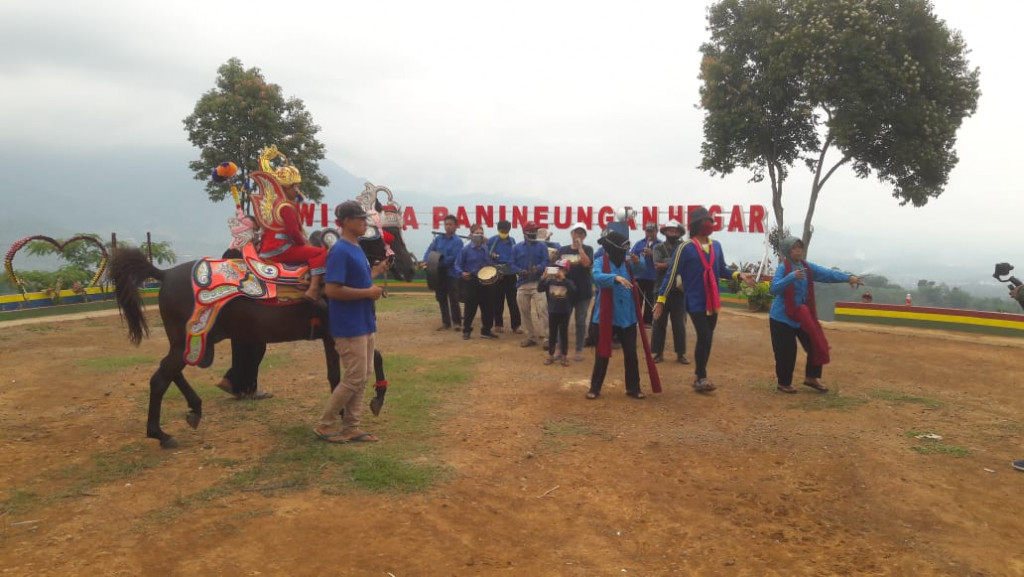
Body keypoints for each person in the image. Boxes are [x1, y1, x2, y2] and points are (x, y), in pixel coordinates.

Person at [654, 207, 755, 393]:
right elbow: (670, 275)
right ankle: (701, 376)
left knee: (707, 339)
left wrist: (740, 275)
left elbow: (722, 269)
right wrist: (661, 300)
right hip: (695, 301)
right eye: (705, 220)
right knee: (705, 335)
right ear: (696, 225)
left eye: (710, 220)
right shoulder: (684, 248)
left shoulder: (716, 246)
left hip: (714, 300)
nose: (709, 223)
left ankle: (699, 375)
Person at [313, 200, 389, 443]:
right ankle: (325, 425)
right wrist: (368, 293)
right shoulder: (340, 251)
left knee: (363, 374)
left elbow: (359, 280)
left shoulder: (355, 247)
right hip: (349, 325)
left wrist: (375, 273)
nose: (364, 222)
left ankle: (352, 427)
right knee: (355, 377)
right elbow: (333, 290)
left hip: (364, 321)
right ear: (346, 222)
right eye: (360, 218)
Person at [769, 236, 862, 394]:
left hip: (802, 315)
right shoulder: (783, 268)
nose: (798, 251)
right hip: (782, 317)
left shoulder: (807, 267)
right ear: (787, 251)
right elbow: (773, 289)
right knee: (787, 351)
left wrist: (848, 278)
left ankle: (811, 378)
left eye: (800, 247)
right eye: (794, 248)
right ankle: (784, 383)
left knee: (815, 343)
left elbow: (827, 274)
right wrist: (791, 277)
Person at [255, 146, 327, 304]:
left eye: (297, 186)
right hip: (281, 249)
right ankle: (313, 289)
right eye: (293, 186)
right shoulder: (286, 207)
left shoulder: (273, 204)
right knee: (320, 253)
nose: (297, 190)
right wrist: (304, 243)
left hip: (266, 249)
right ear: (284, 188)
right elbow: (294, 233)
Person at [587, 229, 647, 400]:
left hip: (627, 317)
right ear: (612, 249)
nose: (625, 253)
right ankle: (594, 388)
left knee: (631, 354)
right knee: (602, 352)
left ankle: (633, 388)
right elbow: (597, 277)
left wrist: (639, 259)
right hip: (606, 316)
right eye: (621, 250)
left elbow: (642, 267)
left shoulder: (628, 263)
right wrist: (615, 278)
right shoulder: (600, 262)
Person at [213, 248, 272, 400]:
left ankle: (237, 386)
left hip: (233, 312)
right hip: (246, 312)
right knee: (257, 347)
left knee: (241, 349)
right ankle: (244, 386)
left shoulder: (227, 275)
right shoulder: (245, 262)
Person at [650, 220, 689, 365]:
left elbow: (686, 265)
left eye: (675, 231)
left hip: (679, 291)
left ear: (679, 233)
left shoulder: (684, 247)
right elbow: (657, 265)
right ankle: (658, 353)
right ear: (665, 232)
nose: (673, 233)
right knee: (659, 322)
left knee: (680, 324)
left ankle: (681, 354)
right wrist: (675, 263)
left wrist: (667, 263)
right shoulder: (658, 247)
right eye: (670, 231)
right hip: (661, 289)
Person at [557, 223, 594, 361]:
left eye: (581, 233)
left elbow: (586, 264)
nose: (578, 235)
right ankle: (560, 348)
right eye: (576, 232)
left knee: (580, 322)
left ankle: (578, 350)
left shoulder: (588, 249)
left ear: (584, 236)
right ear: (571, 234)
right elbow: (559, 268)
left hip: (583, 291)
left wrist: (580, 249)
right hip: (566, 291)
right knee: (563, 320)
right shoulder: (563, 250)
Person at [455, 224, 498, 340]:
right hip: (472, 281)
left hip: (485, 281)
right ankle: (467, 330)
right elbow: (457, 265)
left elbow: (489, 263)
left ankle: (486, 330)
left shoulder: (485, 248)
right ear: (471, 235)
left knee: (488, 307)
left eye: (481, 233)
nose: (479, 235)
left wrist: (493, 260)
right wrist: (462, 273)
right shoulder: (465, 250)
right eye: (477, 233)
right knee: (470, 308)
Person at [512, 221, 551, 347]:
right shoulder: (517, 248)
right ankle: (530, 336)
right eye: (532, 231)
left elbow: (546, 261)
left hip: (538, 283)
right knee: (524, 311)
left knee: (543, 310)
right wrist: (519, 271)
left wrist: (538, 268)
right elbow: (511, 263)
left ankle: (547, 338)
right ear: (525, 233)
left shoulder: (542, 246)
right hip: (522, 283)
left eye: (535, 231)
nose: (534, 233)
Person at [422, 214, 464, 331]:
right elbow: (430, 251)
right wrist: (426, 261)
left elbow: (453, 258)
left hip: (451, 273)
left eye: (450, 224)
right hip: (438, 273)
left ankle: (457, 323)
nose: (448, 226)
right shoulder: (438, 239)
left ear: (456, 226)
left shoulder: (458, 242)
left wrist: (436, 264)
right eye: (446, 224)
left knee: (454, 298)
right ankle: (445, 322)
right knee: (441, 298)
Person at [539, 259, 576, 366]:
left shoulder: (569, 282)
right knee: (552, 334)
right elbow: (539, 289)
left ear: (566, 271)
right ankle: (550, 355)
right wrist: (543, 277)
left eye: (561, 269)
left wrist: (563, 280)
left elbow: (573, 291)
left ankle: (564, 356)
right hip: (552, 311)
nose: (558, 271)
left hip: (564, 312)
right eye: (556, 269)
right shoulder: (550, 282)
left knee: (563, 334)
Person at [488, 220, 521, 334]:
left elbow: (515, 257)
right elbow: (487, 257)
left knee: (513, 301)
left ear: (509, 230)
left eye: (506, 231)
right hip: (497, 275)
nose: (504, 233)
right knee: (497, 300)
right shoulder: (492, 241)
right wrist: (495, 267)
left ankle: (516, 326)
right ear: (498, 230)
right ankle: (498, 324)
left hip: (510, 274)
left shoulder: (512, 241)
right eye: (502, 231)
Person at [631, 223, 661, 325]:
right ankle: (635, 320)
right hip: (639, 276)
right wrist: (638, 257)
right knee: (637, 299)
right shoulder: (639, 243)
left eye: (651, 231)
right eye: (647, 231)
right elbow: (632, 255)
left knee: (650, 300)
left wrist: (652, 253)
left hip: (653, 277)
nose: (649, 233)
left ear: (656, 232)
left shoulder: (660, 244)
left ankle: (647, 321)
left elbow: (663, 259)